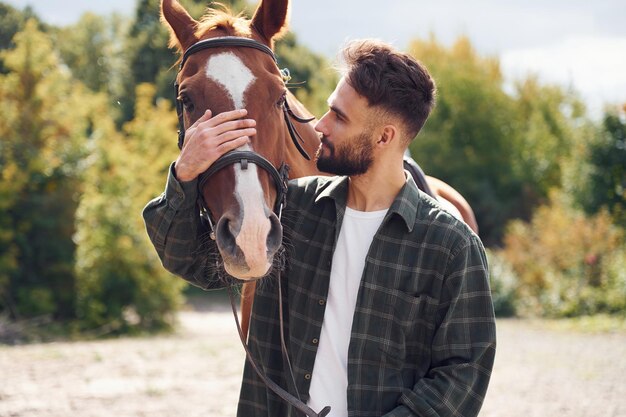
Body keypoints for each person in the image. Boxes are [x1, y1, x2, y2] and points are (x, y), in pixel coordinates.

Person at [143, 39, 496, 417]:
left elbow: (462, 373)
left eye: (339, 117)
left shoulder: (451, 245)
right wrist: (184, 172)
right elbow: (187, 260)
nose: (319, 125)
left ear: (384, 137)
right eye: (328, 109)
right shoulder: (291, 212)